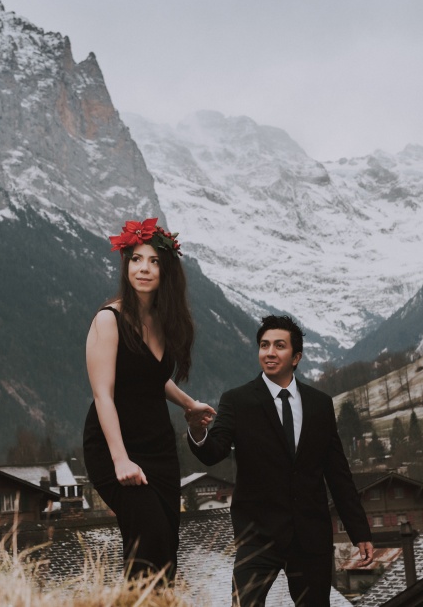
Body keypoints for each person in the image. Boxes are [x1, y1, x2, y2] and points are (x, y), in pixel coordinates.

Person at [188, 314, 373, 607]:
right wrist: (198, 430)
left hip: (311, 537)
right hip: (257, 536)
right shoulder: (236, 401)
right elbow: (214, 452)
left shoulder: (320, 405)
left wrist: (360, 532)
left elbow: (338, 475)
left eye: (279, 346)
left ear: (296, 357)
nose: (270, 352)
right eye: (264, 345)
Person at [83, 217, 215, 583]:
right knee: (148, 541)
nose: (143, 268)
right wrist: (120, 459)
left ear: (166, 270)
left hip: (159, 446)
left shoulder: (165, 320)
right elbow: (103, 394)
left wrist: (188, 405)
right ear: (126, 265)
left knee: (166, 547)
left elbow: (152, 377)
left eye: (154, 261)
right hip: (115, 446)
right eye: (136, 259)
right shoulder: (108, 320)